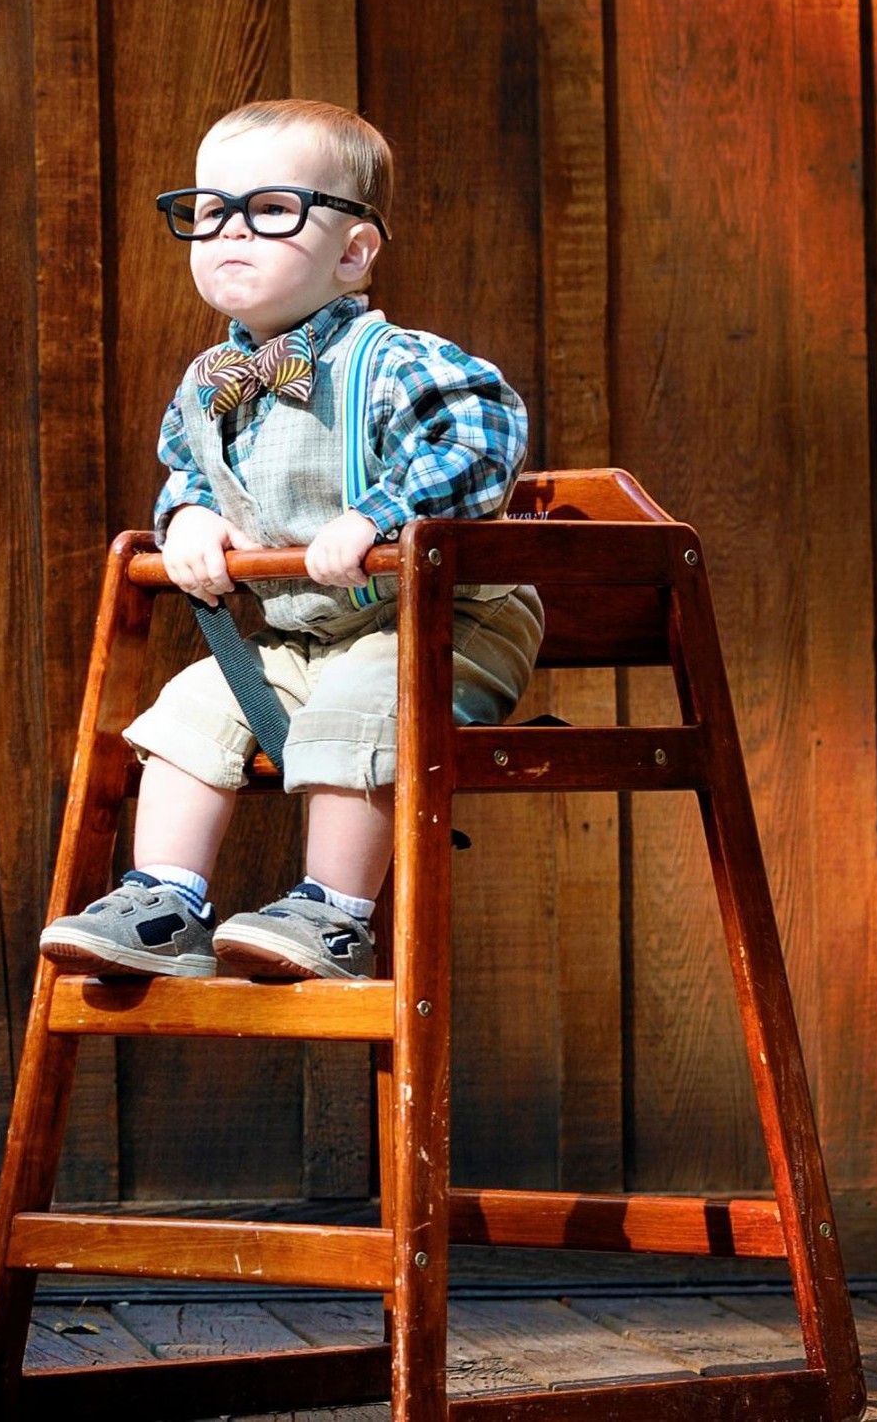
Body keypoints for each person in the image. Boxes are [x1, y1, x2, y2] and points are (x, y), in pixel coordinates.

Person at [39, 98, 544, 982]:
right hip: (300, 633)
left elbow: (483, 433)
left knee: (363, 696)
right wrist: (190, 522)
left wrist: (380, 515)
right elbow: (191, 474)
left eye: (272, 210)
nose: (230, 230)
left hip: (442, 629)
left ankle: (336, 917)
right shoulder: (210, 384)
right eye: (208, 211)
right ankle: (164, 899)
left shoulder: (398, 363)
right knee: (191, 708)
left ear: (353, 252)